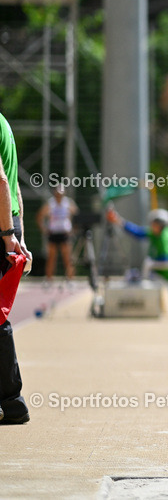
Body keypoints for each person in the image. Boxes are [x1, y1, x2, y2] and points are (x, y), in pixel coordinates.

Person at [0, 109, 32, 424]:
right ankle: (10, 402)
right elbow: (14, 184)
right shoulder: (4, 122)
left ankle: (11, 402)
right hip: (9, 221)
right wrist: (19, 233)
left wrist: (9, 235)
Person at [106, 208, 168, 281]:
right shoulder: (162, 233)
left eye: (153, 223)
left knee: (132, 277)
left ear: (160, 224)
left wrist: (150, 264)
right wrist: (118, 220)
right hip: (164, 273)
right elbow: (138, 232)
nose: (151, 225)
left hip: (164, 275)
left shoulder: (164, 239)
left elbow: (166, 261)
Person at [36, 185, 77, 284]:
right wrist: (44, 229)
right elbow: (39, 216)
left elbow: (77, 215)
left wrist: (73, 229)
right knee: (51, 257)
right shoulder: (51, 204)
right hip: (53, 233)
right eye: (57, 194)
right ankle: (49, 279)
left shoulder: (68, 203)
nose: (59, 196)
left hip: (64, 233)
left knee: (68, 258)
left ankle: (70, 279)